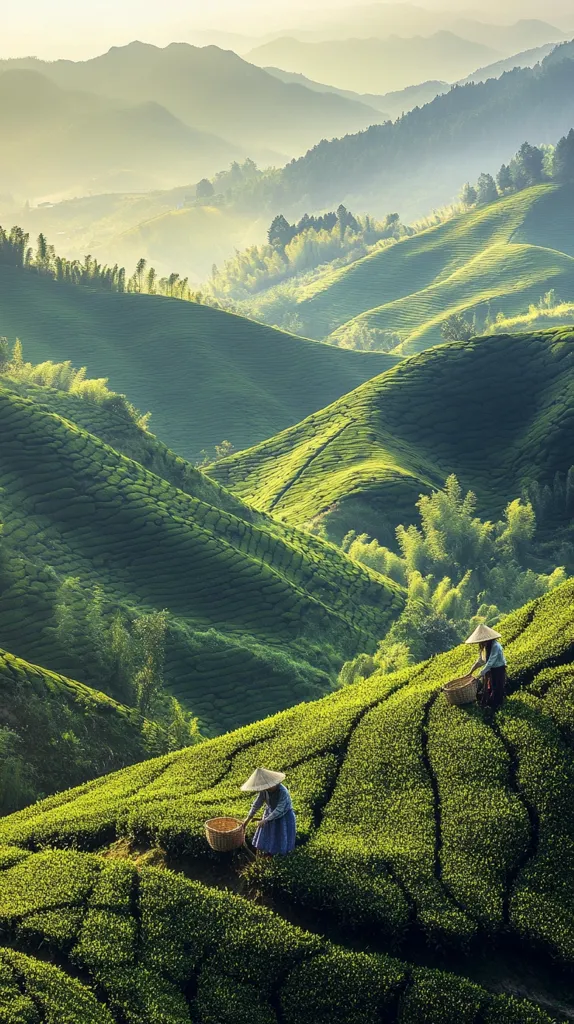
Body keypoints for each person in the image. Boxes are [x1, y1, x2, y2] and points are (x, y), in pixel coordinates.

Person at [241, 767, 296, 856]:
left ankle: (281, 857)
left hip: (284, 816)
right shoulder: (265, 790)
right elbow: (257, 804)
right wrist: (247, 821)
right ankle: (268, 855)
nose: (268, 788)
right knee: (268, 837)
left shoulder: (283, 792)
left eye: (270, 786)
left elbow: (279, 809)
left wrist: (266, 820)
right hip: (269, 813)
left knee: (281, 837)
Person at [465, 624, 507, 710]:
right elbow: (481, 661)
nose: (481, 643)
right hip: (490, 670)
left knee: (496, 688)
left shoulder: (495, 646)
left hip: (498, 669)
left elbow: (490, 662)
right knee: (489, 688)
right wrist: (470, 672)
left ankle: (496, 707)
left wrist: (480, 674)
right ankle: (489, 705)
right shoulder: (484, 648)